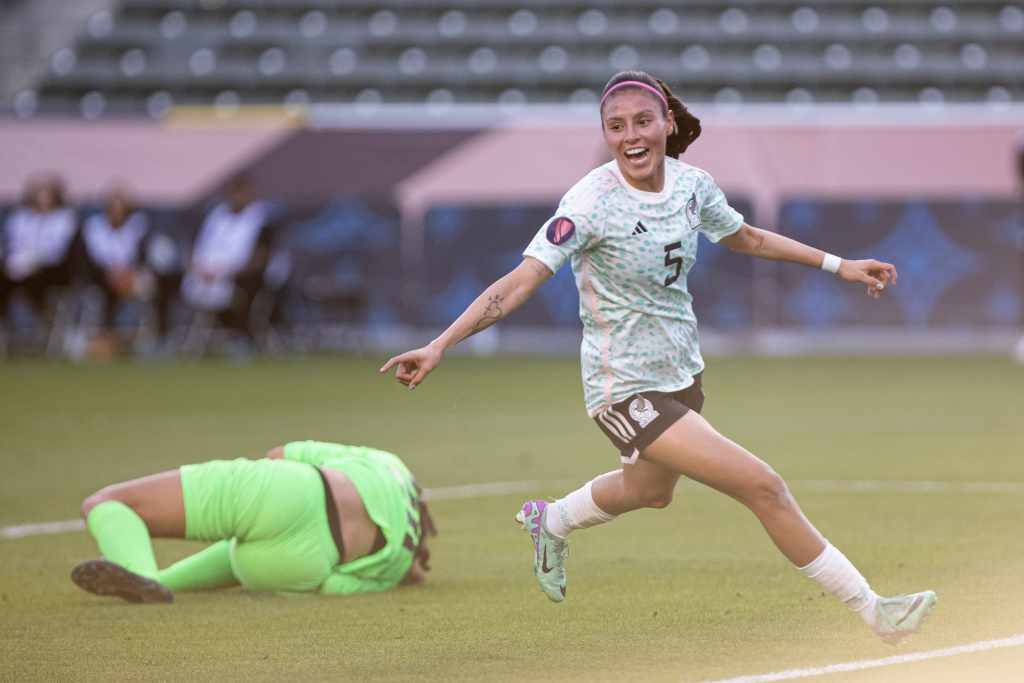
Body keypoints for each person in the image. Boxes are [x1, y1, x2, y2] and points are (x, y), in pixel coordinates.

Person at [381, 70, 935, 644]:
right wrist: (440, 344)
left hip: (680, 372)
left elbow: (746, 237)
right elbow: (522, 280)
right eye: (615, 126)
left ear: (668, 123)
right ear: (605, 135)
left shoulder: (693, 186)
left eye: (642, 121)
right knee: (763, 486)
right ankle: (876, 611)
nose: (630, 136)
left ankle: (550, 520)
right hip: (622, 387)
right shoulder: (589, 203)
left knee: (650, 492)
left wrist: (838, 265)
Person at [71, 440, 436, 603]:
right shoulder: (399, 563)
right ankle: (159, 583)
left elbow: (281, 454)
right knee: (241, 551)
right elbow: (334, 588)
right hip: (299, 565)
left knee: (107, 502)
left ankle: (143, 574)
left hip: (296, 490)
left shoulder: (393, 466)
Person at [180, 175, 275, 345]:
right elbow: (198, 247)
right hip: (204, 275)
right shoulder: (216, 217)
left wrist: (226, 272)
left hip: (238, 276)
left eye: (242, 193)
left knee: (246, 288)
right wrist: (199, 268)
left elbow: (259, 258)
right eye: (234, 193)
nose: (237, 197)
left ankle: (242, 338)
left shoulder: (260, 220)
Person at [81, 187, 154, 355]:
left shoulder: (137, 227)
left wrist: (127, 274)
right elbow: (91, 259)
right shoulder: (94, 227)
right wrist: (110, 274)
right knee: (106, 294)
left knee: (150, 289)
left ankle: (148, 340)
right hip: (101, 277)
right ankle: (106, 340)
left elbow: (142, 257)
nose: (117, 214)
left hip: (130, 276)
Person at [1, 175, 80, 327]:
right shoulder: (19, 218)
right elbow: (12, 245)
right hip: (18, 266)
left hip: (51, 268)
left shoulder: (64, 219)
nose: (42, 201)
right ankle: (6, 323)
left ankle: (45, 319)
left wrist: (35, 262)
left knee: (35, 281)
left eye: (47, 197)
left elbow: (58, 251)